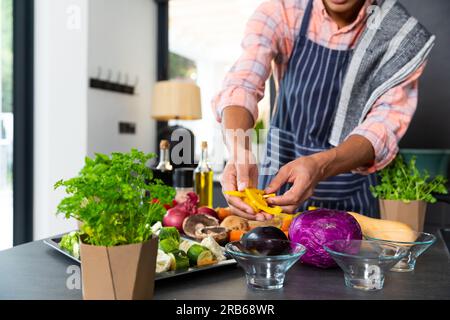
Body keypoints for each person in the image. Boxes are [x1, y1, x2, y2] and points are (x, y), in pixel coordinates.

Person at [212, 0, 434, 220]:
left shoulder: (401, 36)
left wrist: (319, 166)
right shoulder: (283, 11)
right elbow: (243, 84)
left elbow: (382, 126)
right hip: (276, 186)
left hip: (352, 197)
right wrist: (239, 150)